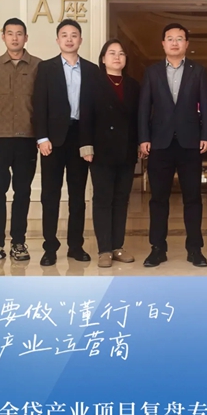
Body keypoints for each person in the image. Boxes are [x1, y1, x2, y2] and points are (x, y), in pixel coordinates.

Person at [138, 23, 207, 267]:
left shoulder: (198, 71)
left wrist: (206, 135)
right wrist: (144, 137)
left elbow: (205, 106)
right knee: (158, 199)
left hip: (190, 143)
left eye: (179, 38)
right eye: (170, 38)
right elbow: (144, 108)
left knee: (193, 198)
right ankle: (157, 248)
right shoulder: (152, 72)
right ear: (163, 44)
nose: (174, 42)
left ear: (186, 44)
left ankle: (195, 249)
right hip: (160, 143)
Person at [33, 19, 99, 266]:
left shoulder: (92, 70)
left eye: (74, 35)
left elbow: (94, 110)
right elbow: (39, 105)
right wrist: (42, 138)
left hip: (80, 140)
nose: (69, 39)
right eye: (64, 35)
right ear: (58, 40)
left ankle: (76, 246)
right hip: (52, 140)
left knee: (78, 196)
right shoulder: (46, 68)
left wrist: (90, 142)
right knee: (50, 196)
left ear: (80, 40)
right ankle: (50, 247)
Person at [0, 18, 40, 264]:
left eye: (19, 33)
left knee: (23, 191)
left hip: (27, 139)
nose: (15, 38)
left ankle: (18, 243)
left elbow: (43, 105)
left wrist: (43, 135)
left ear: (26, 37)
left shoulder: (38, 66)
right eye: (10, 33)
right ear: (3, 36)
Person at [79, 39, 140, 268]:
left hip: (126, 150)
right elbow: (86, 116)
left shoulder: (133, 85)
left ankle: (117, 246)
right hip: (100, 151)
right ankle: (104, 249)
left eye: (121, 53)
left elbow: (138, 118)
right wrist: (86, 145)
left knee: (121, 199)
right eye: (112, 53)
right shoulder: (92, 83)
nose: (117, 57)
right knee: (103, 199)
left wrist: (139, 144)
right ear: (103, 59)